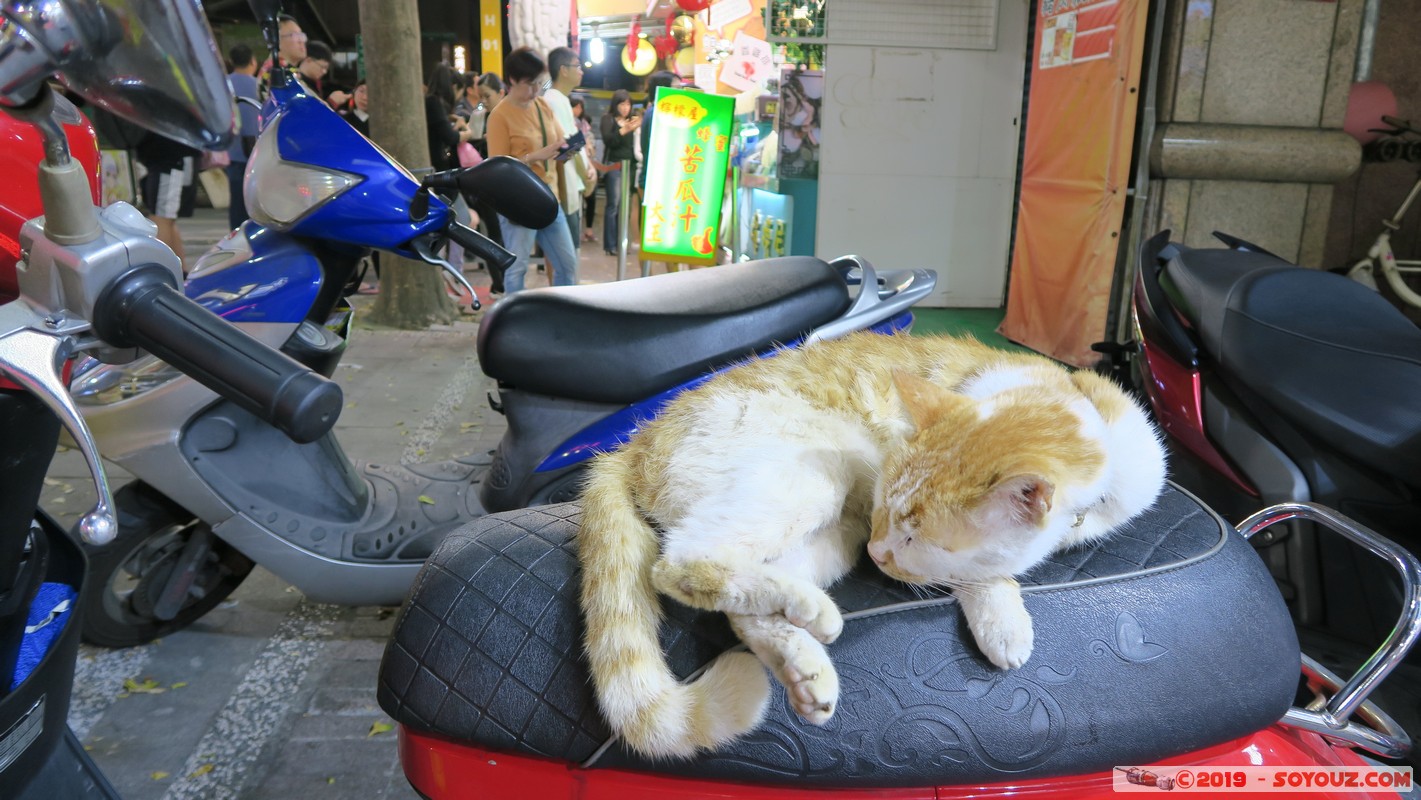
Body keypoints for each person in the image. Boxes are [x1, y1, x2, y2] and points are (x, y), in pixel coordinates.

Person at [485, 47, 578, 293]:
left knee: (567, 265)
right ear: (513, 80)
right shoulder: (499, 116)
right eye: (529, 84)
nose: (535, 91)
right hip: (518, 202)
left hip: (549, 198)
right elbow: (497, 168)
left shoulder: (542, 106)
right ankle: (513, 323)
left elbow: (559, 141)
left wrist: (571, 147)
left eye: (539, 83)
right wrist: (535, 156)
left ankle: (561, 318)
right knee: (517, 269)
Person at [542, 46, 590, 261]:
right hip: (565, 185)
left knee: (568, 253)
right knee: (568, 256)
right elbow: (566, 148)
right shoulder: (553, 100)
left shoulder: (559, 99)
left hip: (570, 183)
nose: (581, 71)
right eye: (577, 66)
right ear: (563, 70)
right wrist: (586, 173)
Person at [137, 133, 199, 270]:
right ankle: (181, 274)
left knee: (160, 219)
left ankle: (161, 273)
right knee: (166, 219)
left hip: (170, 160)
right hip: (172, 158)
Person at [599, 90, 639, 255]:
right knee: (613, 205)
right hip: (614, 165)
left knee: (625, 206)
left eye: (628, 104)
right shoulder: (608, 119)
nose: (625, 108)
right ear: (615, 105)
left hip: (630, 166)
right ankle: (610, 245)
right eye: (622, 104)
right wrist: (623, 130)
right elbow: (609, 141)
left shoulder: (633, 121)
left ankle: (622, 243)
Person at [226, 44, 260, 230]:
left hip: (233, 150)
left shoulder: (224, 84)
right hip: (257, 152)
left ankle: (236, 236)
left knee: (237, 201)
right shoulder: (259, 85)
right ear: (253, 62)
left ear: (232, 62)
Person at [572, 97, 599, 243]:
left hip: (585, 166)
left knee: (590, 197)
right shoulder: (567, 124)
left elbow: (589, 149)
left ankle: (588, 229)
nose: (577, 110)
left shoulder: (584, 126)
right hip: (573, 169)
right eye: (574, 106)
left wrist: (589, 156)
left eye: (579, 107)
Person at [259, 14, 306, 97]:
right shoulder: (276, 72)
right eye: (294, 35)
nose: (301, 40)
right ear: (276, 40)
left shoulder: (288, 70)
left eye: (301, 35)